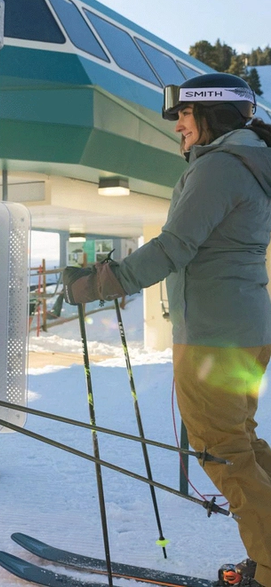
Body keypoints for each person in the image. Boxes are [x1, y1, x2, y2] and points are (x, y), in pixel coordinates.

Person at [63, 72, 271, 587]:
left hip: (212, 336)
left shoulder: (221, 167)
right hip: (239, 329)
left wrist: (96, 283)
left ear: (211, 114)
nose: (177, 125)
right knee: (240, 444)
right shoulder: (249, 162)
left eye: (182, 114)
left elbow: (173, 246)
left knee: (222, 452)